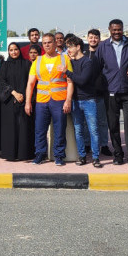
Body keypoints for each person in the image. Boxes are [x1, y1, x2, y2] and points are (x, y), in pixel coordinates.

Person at [94, 19, 128, 169]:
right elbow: (96, 67)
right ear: (109, 30)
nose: (117, 32)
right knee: (113, 125)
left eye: (119, 30)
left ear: (123, 29)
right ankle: (118, 154)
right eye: (114, 30)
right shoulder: (103, 46)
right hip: (110, 90)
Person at [26, 33, 74, 166]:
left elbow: (70, 82)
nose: (47, 45)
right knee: (40, 129)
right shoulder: (38, 61)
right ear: (42, 45)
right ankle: (40, 154)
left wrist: (68, 100)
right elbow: (30, 84)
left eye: (50, 42)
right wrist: (28, 102)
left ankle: (59, 156)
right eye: (45, 43)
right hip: (41, 101)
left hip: (59, 100)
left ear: (55, 43)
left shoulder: (64, 59)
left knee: (59, 129)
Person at [65, 35, 104, 167]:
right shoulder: (69, 62)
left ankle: (95, 157)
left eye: (70, 46)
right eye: (67, 47)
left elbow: (82, 80)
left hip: (89, 100)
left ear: (78, 47)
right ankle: (82, 156)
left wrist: (67, 72)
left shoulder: (88, 62)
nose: (68, 49)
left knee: (93, 130)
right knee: (78, 130)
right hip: (75, 101)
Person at [0, 42, 34, 162]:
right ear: (8, 52)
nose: (14, 52)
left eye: (16, 49)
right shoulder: (5, 65)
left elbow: (30, 82)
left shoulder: (27, 64)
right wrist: (14, 93)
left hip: (25, 100)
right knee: (11, 128)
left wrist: (24, 96)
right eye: (11, 50)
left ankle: (25, 154)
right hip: (9, 100)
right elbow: (2, 82)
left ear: (19, 50)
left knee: (24, 127)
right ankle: (10, 154)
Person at [85, 28, 111, 158]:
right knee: (87, 121)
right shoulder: (83, 54)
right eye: (91, 37)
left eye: (95, 37)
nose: (93, 39)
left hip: (101, 92)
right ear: (87, 38)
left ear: (99, 39)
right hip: (86, 93)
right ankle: (87, 144)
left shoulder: (104, 53)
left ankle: (104, 145)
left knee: (102, 120)